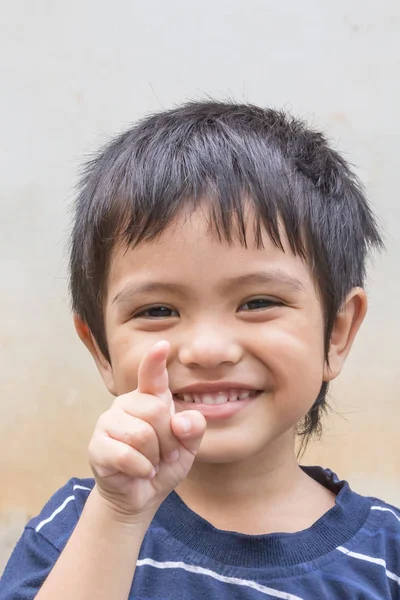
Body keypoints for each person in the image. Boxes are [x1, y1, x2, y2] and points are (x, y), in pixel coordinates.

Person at [0, 101, 398, 600]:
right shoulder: (79, 528)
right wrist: (119, 514)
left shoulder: (387, 558)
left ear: (336, 333)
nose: (208, 350)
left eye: (258, 302)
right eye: (158, 310)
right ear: (100, 350)